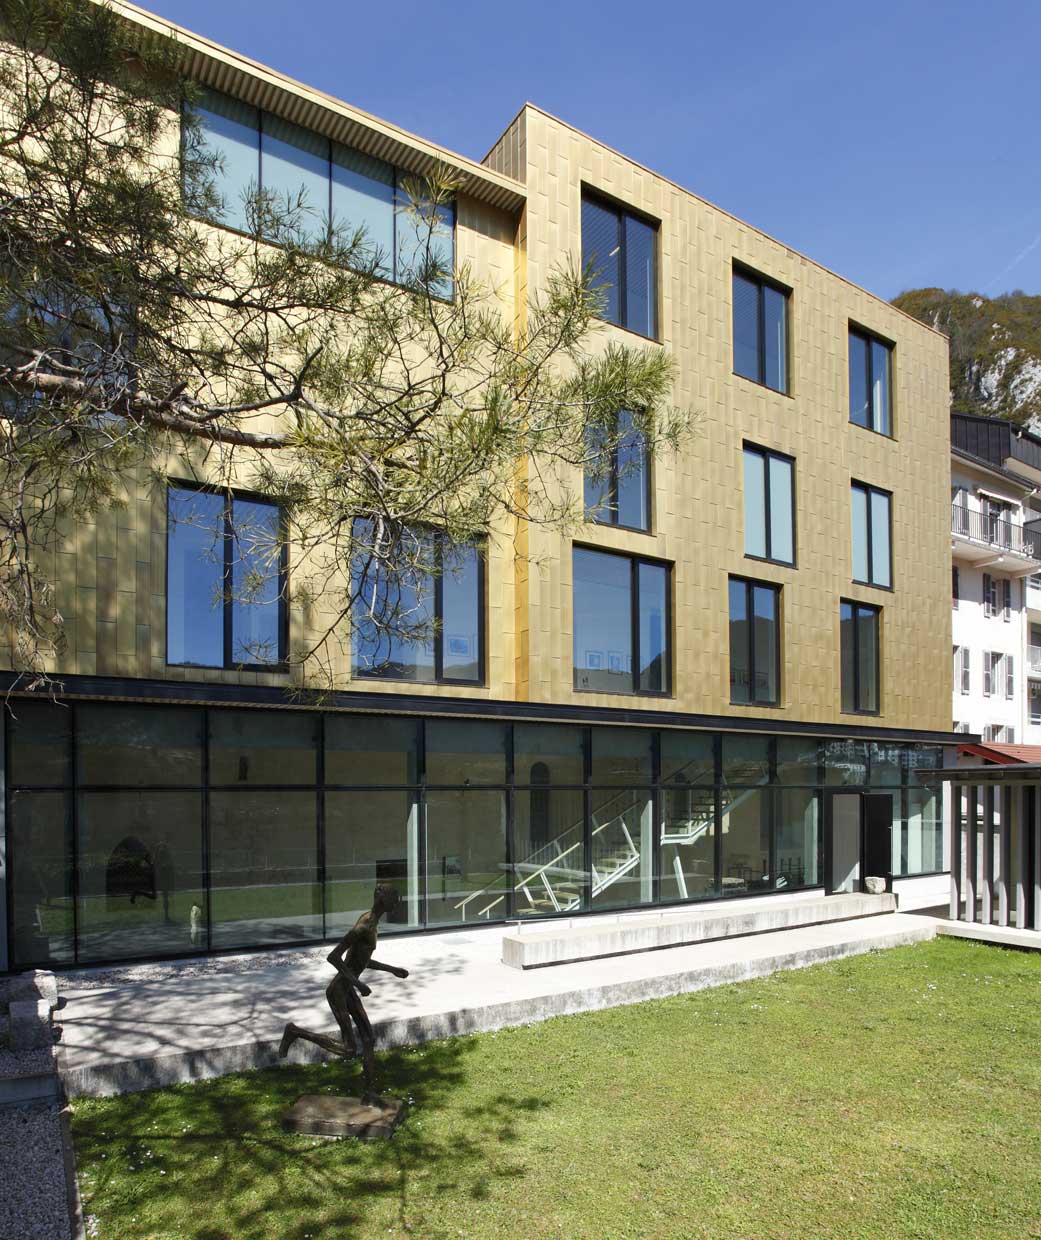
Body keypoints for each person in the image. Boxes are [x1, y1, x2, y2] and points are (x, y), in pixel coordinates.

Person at [278, 883, 408, 1101]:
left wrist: (392, 970)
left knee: (368, 1038)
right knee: (349, 1049)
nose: (398, 901)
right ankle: (294, 1031)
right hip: (339, 990)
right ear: (382, 899)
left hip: (347, 989)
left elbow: (361, 960)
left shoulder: (372, 922)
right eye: (394, 897)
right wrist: (358, 984)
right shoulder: (364, 926)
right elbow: (334, 956)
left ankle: (369, 1093)